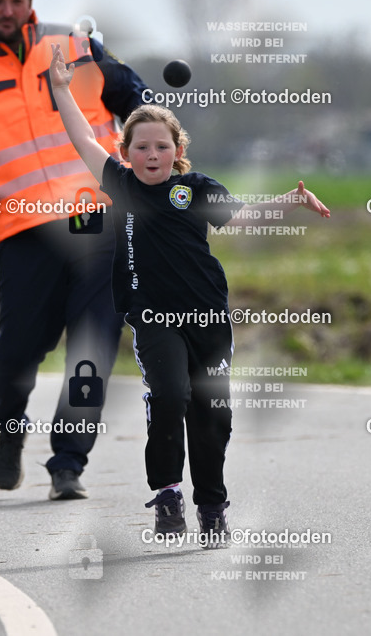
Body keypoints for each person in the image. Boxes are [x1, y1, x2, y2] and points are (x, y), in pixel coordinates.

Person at [49, 44, 331, 544]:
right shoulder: (122, 184)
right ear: (125, 153)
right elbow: (81, 138)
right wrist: (61, 88)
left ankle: (213, 505)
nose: (151, 155)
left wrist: (291, 201)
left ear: (177, 150)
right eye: (141, 147)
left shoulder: (196, 189)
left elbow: (244, 215)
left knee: (212, 417)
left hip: (208, 320)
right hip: (153, 319)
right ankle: (167, 497)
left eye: (161, 146)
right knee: (170, 397)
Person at [0, 0, 148, 500]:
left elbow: (137, 102)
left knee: (94, 344)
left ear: (30, 1)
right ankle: (10, 430)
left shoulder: (76, 48)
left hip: (96, 220)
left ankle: (68, 463)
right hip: (25, 231)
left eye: (16, 1)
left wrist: (151, 152)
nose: (6, 11)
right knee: (18, 350)